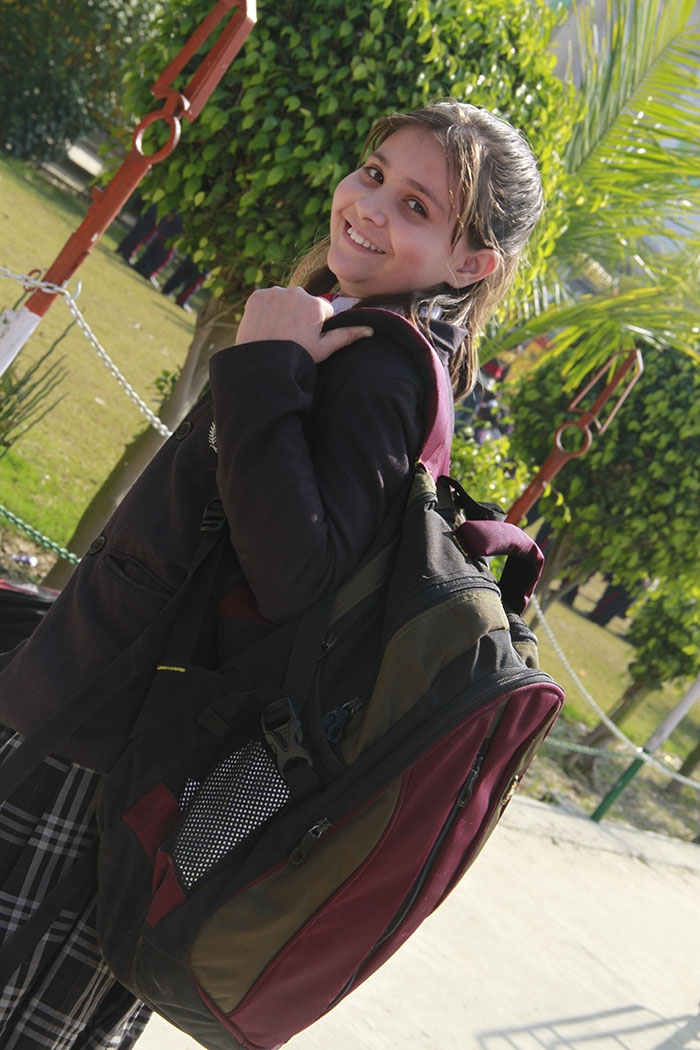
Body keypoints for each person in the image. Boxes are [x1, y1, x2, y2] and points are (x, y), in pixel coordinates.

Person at [0, 98, 544, 1047]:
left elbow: (298, 574)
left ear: (471, 264)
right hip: (140, 730)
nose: (369, 206)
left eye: (417, 207)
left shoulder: (380, 367)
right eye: (374, 173)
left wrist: (263, 366)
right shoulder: (369, 337)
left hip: (120, 742)